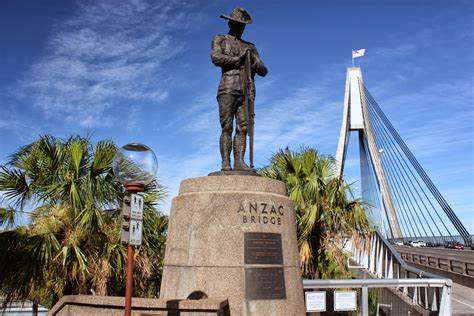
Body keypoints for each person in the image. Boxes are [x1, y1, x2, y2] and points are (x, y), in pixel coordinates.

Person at [211, 7, 267, 171]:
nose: (240, 27)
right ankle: (226, 163)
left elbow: (263, 70)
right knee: (226, 126)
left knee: (243, 127)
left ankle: (239, 162)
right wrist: (239, 59)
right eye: (237, 24)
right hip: (228, 87)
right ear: (230, 23)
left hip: (246, 90)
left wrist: (253, 60)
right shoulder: (220, 40)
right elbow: (216, 58)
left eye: (242, 25)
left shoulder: (250, 46)